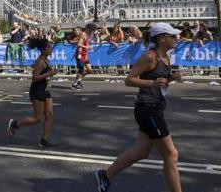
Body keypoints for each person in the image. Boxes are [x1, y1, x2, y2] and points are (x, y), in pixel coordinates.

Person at [94, 23, 183, 192]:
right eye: (173, 36)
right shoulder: (150, 56)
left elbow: (159, 80)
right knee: (171, 154)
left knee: (142, 151)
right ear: (163, 39)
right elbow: (129, 79)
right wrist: (152, 82)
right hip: (147, 108)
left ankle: (105, 175)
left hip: (156, 107)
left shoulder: (165, 56)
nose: (176, 38)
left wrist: (171, 78)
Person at [7, 36, 58, 148]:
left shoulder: (46, 60)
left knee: (49, 115)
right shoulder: (40, 61)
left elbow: (45, 75)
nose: (51, 49)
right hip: (37, 90)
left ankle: (44, 140)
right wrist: (49, 73)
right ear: (43, 49)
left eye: (51, 46)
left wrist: (52, 73)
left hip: (45, 89)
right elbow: (34, 78)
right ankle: (15, 124)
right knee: (38, 118)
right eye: (49, 47)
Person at [71, 23, 96, 90]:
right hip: (80, 54)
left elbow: (85, 42)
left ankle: (79, 80)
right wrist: (87, 47)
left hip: (85, 55)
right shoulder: (83, 34)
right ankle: (74, 84)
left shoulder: (87, 34)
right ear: (88, 29)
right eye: (91, 30)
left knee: (89, 70)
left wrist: (88, 46)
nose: (92, 31)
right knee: (81, 69)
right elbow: (79, 44)